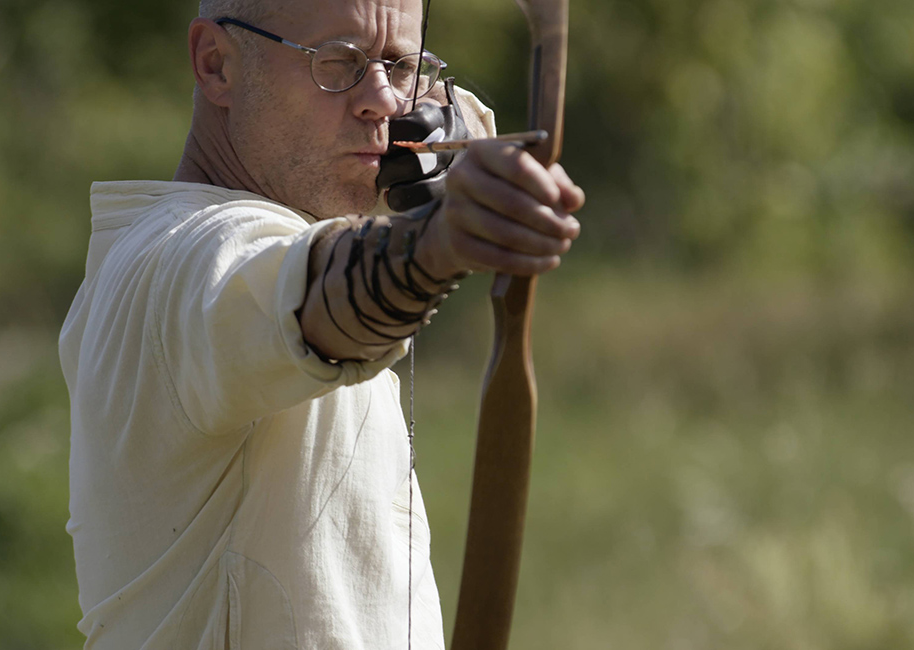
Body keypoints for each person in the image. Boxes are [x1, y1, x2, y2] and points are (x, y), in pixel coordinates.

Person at [58, 0, 584, 647]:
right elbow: (306, 293)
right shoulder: (174, 264)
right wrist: (436, 244)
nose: (381, 103)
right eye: (338, 64)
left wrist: (454, 137)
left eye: (398, 65)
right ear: (216, 64)